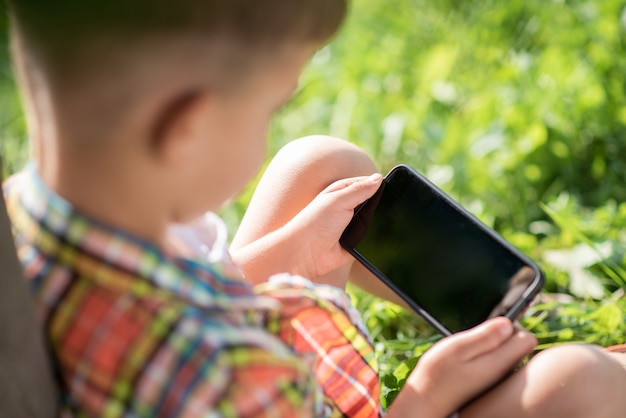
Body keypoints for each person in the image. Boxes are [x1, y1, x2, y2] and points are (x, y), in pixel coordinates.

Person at [3, 0, 626, 417]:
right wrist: (425, 398)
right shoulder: (227, 376)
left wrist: (289, 252)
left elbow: (180, 289)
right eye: (270, 108)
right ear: (185, 128)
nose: (270, 127)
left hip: (207, 349)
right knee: (572, 381)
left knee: (320, 165)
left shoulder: (25, 213)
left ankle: (493, 321)